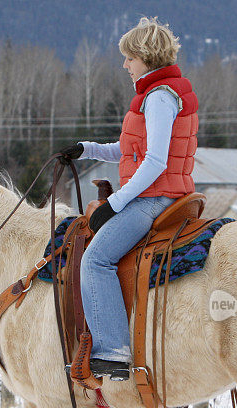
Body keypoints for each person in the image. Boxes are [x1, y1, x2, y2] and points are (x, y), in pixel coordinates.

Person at [60, 17, 199, 381]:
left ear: (146, 57)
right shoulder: (160, 93)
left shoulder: (158, 98)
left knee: (95, 260)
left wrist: (114, 204)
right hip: (163, 193)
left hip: (154, 199)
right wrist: (86, 148)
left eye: (129, 58)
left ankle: (114, 351)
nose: (125, 65)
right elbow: (128, 150)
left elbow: (154, 162)